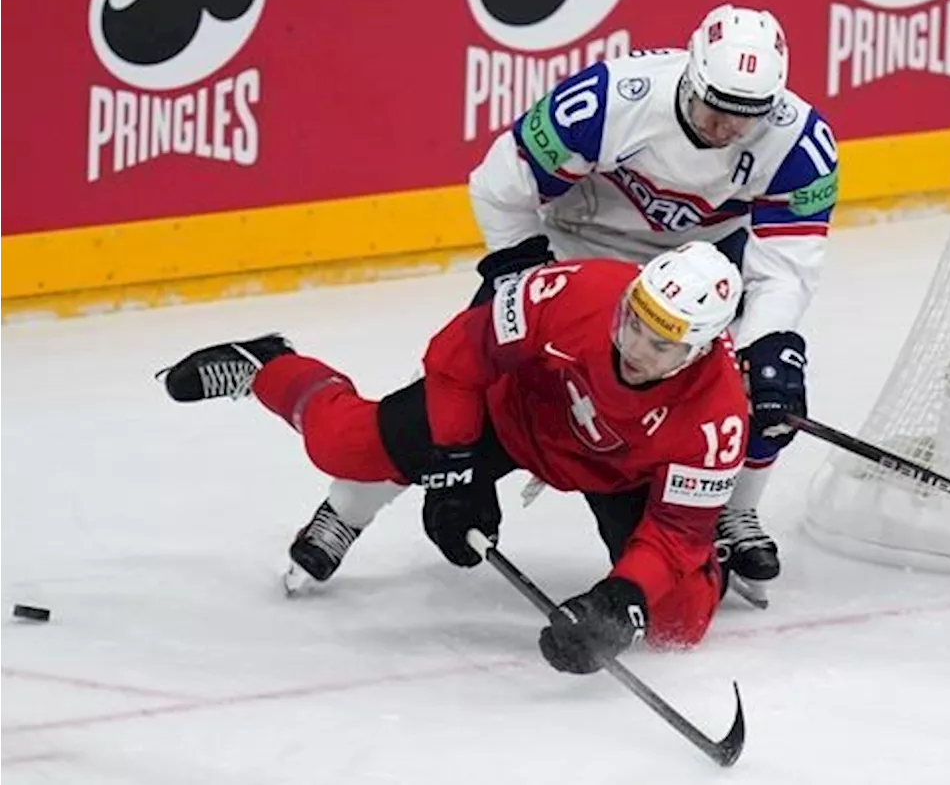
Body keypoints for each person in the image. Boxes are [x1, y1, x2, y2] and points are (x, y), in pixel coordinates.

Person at [159, 242, 750, 673]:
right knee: (340, 443)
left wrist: (620, 599)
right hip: (508, 416)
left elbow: (674, 533)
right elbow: (455, 356)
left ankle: (707, 543)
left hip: (620, 473)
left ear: (699, 351)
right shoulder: (574, 291)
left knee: (678, 622)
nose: (635, 348)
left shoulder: (718, 418)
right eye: (633, 322)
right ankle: (269, 365)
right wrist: (456, 466)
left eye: (662, 342)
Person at [466, 2, 838, 603]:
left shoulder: (801, 143)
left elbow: (786, 268)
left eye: (744, 118)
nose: (724, 128)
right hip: (576, 248)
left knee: (763, 386)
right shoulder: (612, 98)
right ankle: (349, 508)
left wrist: (765, 347)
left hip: (696, 275)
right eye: (714, 107)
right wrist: (522, 271)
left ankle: (731, 511)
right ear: (690, 73)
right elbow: (498, 182)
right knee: (472, 369)